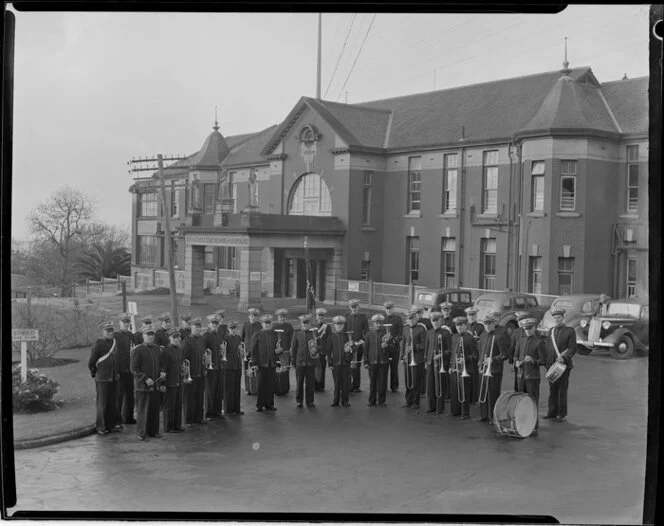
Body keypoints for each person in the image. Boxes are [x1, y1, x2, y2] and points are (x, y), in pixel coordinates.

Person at [130, 325, 165, 441]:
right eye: (148, 334)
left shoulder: (156, 348)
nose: (150, 337)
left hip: (155, 384)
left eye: (152, 334)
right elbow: (134, 368)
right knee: (143, 410)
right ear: (143, 336)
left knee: (154, 410)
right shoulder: (137, 350)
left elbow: (160, 364)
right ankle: (142, 433)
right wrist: (145, 378)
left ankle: (153, 431)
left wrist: (161, 372)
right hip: (143, 386)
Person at [544, 307, 577, 422]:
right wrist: (547, 364)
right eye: (555, 318)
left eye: (559, 317)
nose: (557, 320)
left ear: (563, 317)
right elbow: (548, 348)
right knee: (552, 390)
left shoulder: (570, 331)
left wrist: (564, 357)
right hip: (552, 366)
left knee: (562, 390)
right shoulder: (551, 331)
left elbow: (572, 348)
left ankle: (561, 414)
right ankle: (551, 412)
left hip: (564, 366)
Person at [514, 317, 547, 433]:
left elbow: (543, 361)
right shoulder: (520, 341)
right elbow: (515, 356)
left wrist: (533, 361)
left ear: (534, 328)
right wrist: (516, 362)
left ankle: (533, 426)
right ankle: (522, 424)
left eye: (530, 329)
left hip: (532, 377)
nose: (528, 331)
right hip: (521, 376)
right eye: (526, 329)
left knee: (532, 401)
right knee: (521, 402)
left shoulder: (539, 342)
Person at [89, 321, 121, 435]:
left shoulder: (114, 342)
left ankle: (111, 425)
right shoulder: (99, 344)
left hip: (113, 377)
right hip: (102, 378)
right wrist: (95, 373)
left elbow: (116, 359)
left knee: (112, 402)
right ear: (103, 331)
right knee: (102, 403)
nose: (110, 333)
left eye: (112, 330)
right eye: (108, 331)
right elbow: (92, 361)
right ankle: (101, 426)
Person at [476, 315, 509, 423]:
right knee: (483, 393)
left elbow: (505, 355)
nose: (488, 326)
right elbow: (481, 353)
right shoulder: (482, 336)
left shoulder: (499, 337)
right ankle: (483, 415)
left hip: (494, 370)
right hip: (484, 369)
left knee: (492, 393)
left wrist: (493, 359)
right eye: (486, 324)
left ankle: (492, 416)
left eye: (490, 323)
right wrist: (480, 364)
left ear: (493, 324)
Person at [449, 316, 478, 420]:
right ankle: (455, 411)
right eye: (457, 325)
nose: (459, 327)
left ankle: (465, 413)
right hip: (455, 368)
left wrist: (464, 359)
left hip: (466, 369)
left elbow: (475, 355)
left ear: (466, 325)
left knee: (464, 391)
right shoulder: (454, 337)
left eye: (461, 325)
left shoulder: (470, 338)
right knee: (455, 390)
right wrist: (450, 366)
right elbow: (453, 353)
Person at [424, 312, 452, 414]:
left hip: (441, 363)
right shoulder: (429, 332)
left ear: (441, 321)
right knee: (430, 385)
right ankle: (431, 406)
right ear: (431, 322)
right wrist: (426, 361)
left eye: (437, 320)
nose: (435, 322)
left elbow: (449, 349)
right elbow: (427, 348)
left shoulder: (446, 333)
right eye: (433, 320)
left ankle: (440, 407)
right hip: (430, 362)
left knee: (440, 385)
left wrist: (441, 355)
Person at [364, 314, 394, 407]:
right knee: (372, 382)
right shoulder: (368, 334)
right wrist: (365, 361)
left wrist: (387, 346)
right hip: (372, 362)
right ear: (373, 323)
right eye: (376, 323)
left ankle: (382, 400)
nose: (378, 324)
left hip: (383, 362)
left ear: (382, 323)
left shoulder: (387, 334)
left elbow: (392, 348)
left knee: (383, 383)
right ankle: (371, 400)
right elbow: (366, 349)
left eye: (380, 322)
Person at [251, 314, 279, 412]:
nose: (267, 325)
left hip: (272, 363)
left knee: (270, 384)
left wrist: (279, 352)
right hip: (261, 364)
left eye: (269, 323)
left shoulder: (274, 334)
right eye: (265, 323)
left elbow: (277, 348)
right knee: (261, 384)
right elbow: (253, 350)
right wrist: (254, 363)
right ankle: (259, 404)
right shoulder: (257, 334)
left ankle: (269, 404)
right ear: (262, 324)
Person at [182, 318, 207, 426]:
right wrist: (185, 375)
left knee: (199, 396)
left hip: (200, 372)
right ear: (191, 327)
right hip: (190, 374)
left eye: (199, 326)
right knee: (189, 398)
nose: (198, 329)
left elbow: (204, 356)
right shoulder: (186, 341)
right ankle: (189, 420)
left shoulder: (201, 339)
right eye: (195, 327)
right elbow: (183, 359)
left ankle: (199, 418)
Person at [291, 314, 319, 408]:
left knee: (310, 383)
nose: (305, 325)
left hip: (311, 362)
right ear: (301, 324)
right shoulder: (297, 333)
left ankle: (310, 401)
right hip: (300, 362)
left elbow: (319, 346)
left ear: (309, 324)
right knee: (299, 383)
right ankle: (299, 401)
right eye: (304, 323)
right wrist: (293, 361)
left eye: (307, 323)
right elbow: (294, 348)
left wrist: (317, 349)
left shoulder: (314, 333)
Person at [160, 328, 185, 433]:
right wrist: (162, 383)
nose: (177, 339)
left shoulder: (179, 349)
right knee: (169, 406)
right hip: (170, 382)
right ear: (169, 338)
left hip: (179, 380)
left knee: (178, 404)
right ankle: (168, 427)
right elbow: (162, 369)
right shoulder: (166, 350)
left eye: (178, 337)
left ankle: (177, 425)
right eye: (174, 337)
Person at [401, 312, 427, 411]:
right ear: (407, 320)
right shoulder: (405, 329)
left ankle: (416, 402)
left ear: (416, 319)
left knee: (416, 382)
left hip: (417, 359)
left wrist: (413, 348)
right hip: (407, 359)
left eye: (413, 319)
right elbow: (403, 343)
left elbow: (423, 344)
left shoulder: (421, 329)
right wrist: (402, 357)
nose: (411, 320)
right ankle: (408, 401)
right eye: (409, 319)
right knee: (408, 380)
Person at [114, 313, 136, 425]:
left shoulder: (131, 336)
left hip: (129, 368)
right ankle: (117, 420)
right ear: (120, 323)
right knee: (119, 396)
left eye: (128, 322)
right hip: (120, 369)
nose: (126, 324)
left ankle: (129, 417)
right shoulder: (116, 336)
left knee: (130, 395)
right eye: (124, 322)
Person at [327, 315, 353, 408]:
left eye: (341, 324)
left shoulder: (347, 336)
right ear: (334, 325)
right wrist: (330, 362)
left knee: (345, 383)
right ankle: (336, 400)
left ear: (343, 325)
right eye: (337, 324)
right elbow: (328, 351)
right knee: (337, 383)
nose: (339, 326)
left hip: (345, 363)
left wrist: (350, 349)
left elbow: (352, 349)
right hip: (336, 364)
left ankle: (345, 400)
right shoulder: (331, 337)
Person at [345, 299, 369, 393]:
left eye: (356, 306)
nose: (354, 308)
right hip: (348, 345)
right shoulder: (346, 317)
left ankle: (356, 385)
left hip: (358, 345)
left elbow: (366, 331)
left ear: (359, 307)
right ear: (350, 307)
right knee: (348, 366)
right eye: (352, 306)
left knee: (357, 366)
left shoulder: (363, 317)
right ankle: (348, 385)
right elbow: (343, 331)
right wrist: (346, 343)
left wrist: (362, 341)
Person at [203, 314, 223, 419]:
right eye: (213, 323)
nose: (215, 325)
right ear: (209, 324)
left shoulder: (219, 335)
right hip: (210, 368)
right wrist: (205, 367)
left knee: (218, 390)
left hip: (218, 365)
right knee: (210, 391)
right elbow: (204, 352)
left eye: (216, 323)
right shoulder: (206, 336)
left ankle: (217, 411)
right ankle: (209, 413)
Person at [223, 321, 244, 416]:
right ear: (228, 329)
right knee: (229, 389)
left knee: (236, 388)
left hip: (237, 365)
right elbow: (223, 353)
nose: (233, 330)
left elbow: (241, 351)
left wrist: (241, 352)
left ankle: (237, 408)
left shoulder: (239, 338)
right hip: (229, 366)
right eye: (231, 328)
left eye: (235, 328)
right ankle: (229, 409)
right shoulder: (225, 339)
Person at [241, 308, 262, 395]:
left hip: (256, 352)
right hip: (247, 352)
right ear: (249, 316)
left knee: (256, 370)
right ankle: (248, 388)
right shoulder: (245, 325)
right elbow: (242, 338)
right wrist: (243, 350)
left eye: (255, 316)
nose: (253, 318)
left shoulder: (260, 326)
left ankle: (256, 387)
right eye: (251, 316)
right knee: (247, 371)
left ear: (257, 317)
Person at [384, 301, 404, 392]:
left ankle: (394, 386)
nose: (388, 310)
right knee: (383, 368)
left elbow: (400, 334)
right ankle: (383, 386)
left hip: (394, 347)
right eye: (387, 308)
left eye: (390, 308)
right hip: (384, 347)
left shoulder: (398, 319)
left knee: (394, 368)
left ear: (393, 308)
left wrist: (393, 340)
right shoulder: (382, 318)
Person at [465, 307, 484, 404]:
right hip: (467, 354)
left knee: (475, 377)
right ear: (467, 316)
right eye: (469, 315)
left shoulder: (480, 326)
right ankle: (468, 397)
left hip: (476, 354)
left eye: (473, 315)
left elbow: (483, 340)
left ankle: (475, 398)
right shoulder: (465, 326)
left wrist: (477, 338)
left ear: (476, 315)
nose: (471, 317)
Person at [508, 312, 530, 391]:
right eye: (519, 321)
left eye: (522, 320)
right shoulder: (516, 332)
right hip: (517, 359)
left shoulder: (529, 330)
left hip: (527, 359)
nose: (520, 322)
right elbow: (512, 346)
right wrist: (511, 361)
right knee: (517, 380)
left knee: (527, 380)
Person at [313, 307, 332, 392]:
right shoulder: (314, 326)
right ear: (316, 317)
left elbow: (330, 341)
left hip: (323, 351)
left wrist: (328, 353)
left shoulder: (327, 327)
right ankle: (315, 385)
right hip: (314, 352)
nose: (320, 317)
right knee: (314, 369)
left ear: (324, 317)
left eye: (322, 316)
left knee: (321, 369)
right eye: (319, 316)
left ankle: (320, 386)